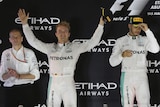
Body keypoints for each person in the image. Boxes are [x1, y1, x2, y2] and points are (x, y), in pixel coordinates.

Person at [17, 8, 105, 107]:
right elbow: (33, 42)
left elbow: (92, 42)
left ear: (69, 34)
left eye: (65, 31)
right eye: (60, 31)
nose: (62, 33)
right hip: (54, 82)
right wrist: (25, 24)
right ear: (56, 34)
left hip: (68, 81)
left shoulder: (75, 47)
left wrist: (101, 25)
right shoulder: (50, 48)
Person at [109, 16, 160, 107]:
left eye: (140, 27)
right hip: (127, 75)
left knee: (145, 104)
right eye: (135, 27)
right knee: (127, 105)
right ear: (129, 26)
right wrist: (122, 55)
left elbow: (156, 49)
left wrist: (147, 31)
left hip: (141, 75)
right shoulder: (121, 41)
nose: (138, 30)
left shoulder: (145, 40)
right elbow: (112, 62)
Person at [0, 29, 40, 107]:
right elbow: (2, 77)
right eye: (13, 37)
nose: (15, 39)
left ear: (22, 38)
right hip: (10, 88)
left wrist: (19, 76)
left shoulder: (29, 53)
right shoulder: (5, 53)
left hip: (26, 87)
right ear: (9, 40)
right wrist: (9, 74)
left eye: (17, 37)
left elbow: (36, 75)